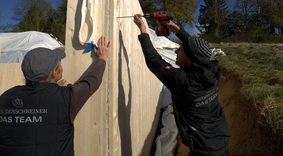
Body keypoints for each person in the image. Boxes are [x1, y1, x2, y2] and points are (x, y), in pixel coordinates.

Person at [133, 14, 230, 156]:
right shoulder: (212, 69)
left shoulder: (183, 83)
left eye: (181, 50)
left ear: (191, 59)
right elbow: (195, 48)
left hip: (202, 151)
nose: (176, 51)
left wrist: (142, 29)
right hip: (220, 141)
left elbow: (154, 61)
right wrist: (172, 26)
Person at [0, 36, 111, 156]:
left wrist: (55, 90)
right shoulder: (65, 98)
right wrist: (102, 58)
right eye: (59, 64)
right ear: (55, 72)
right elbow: (91, 82)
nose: (61, 66)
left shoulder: (6, 97)